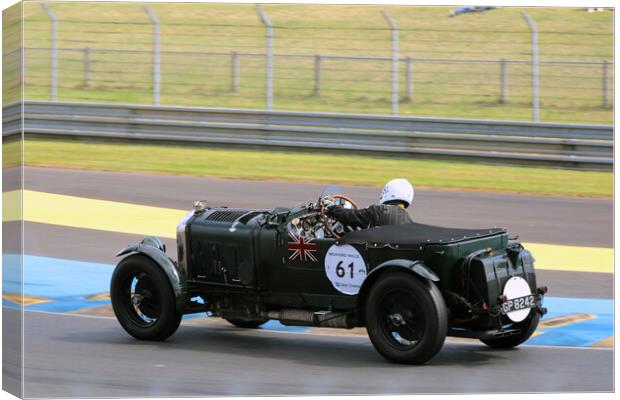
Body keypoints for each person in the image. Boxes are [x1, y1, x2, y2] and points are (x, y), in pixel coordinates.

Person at [326, 178, 414, 230]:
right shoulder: (409, 222)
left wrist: (330, 208)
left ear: (387, 192)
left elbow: (350, 215)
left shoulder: (378, 211)